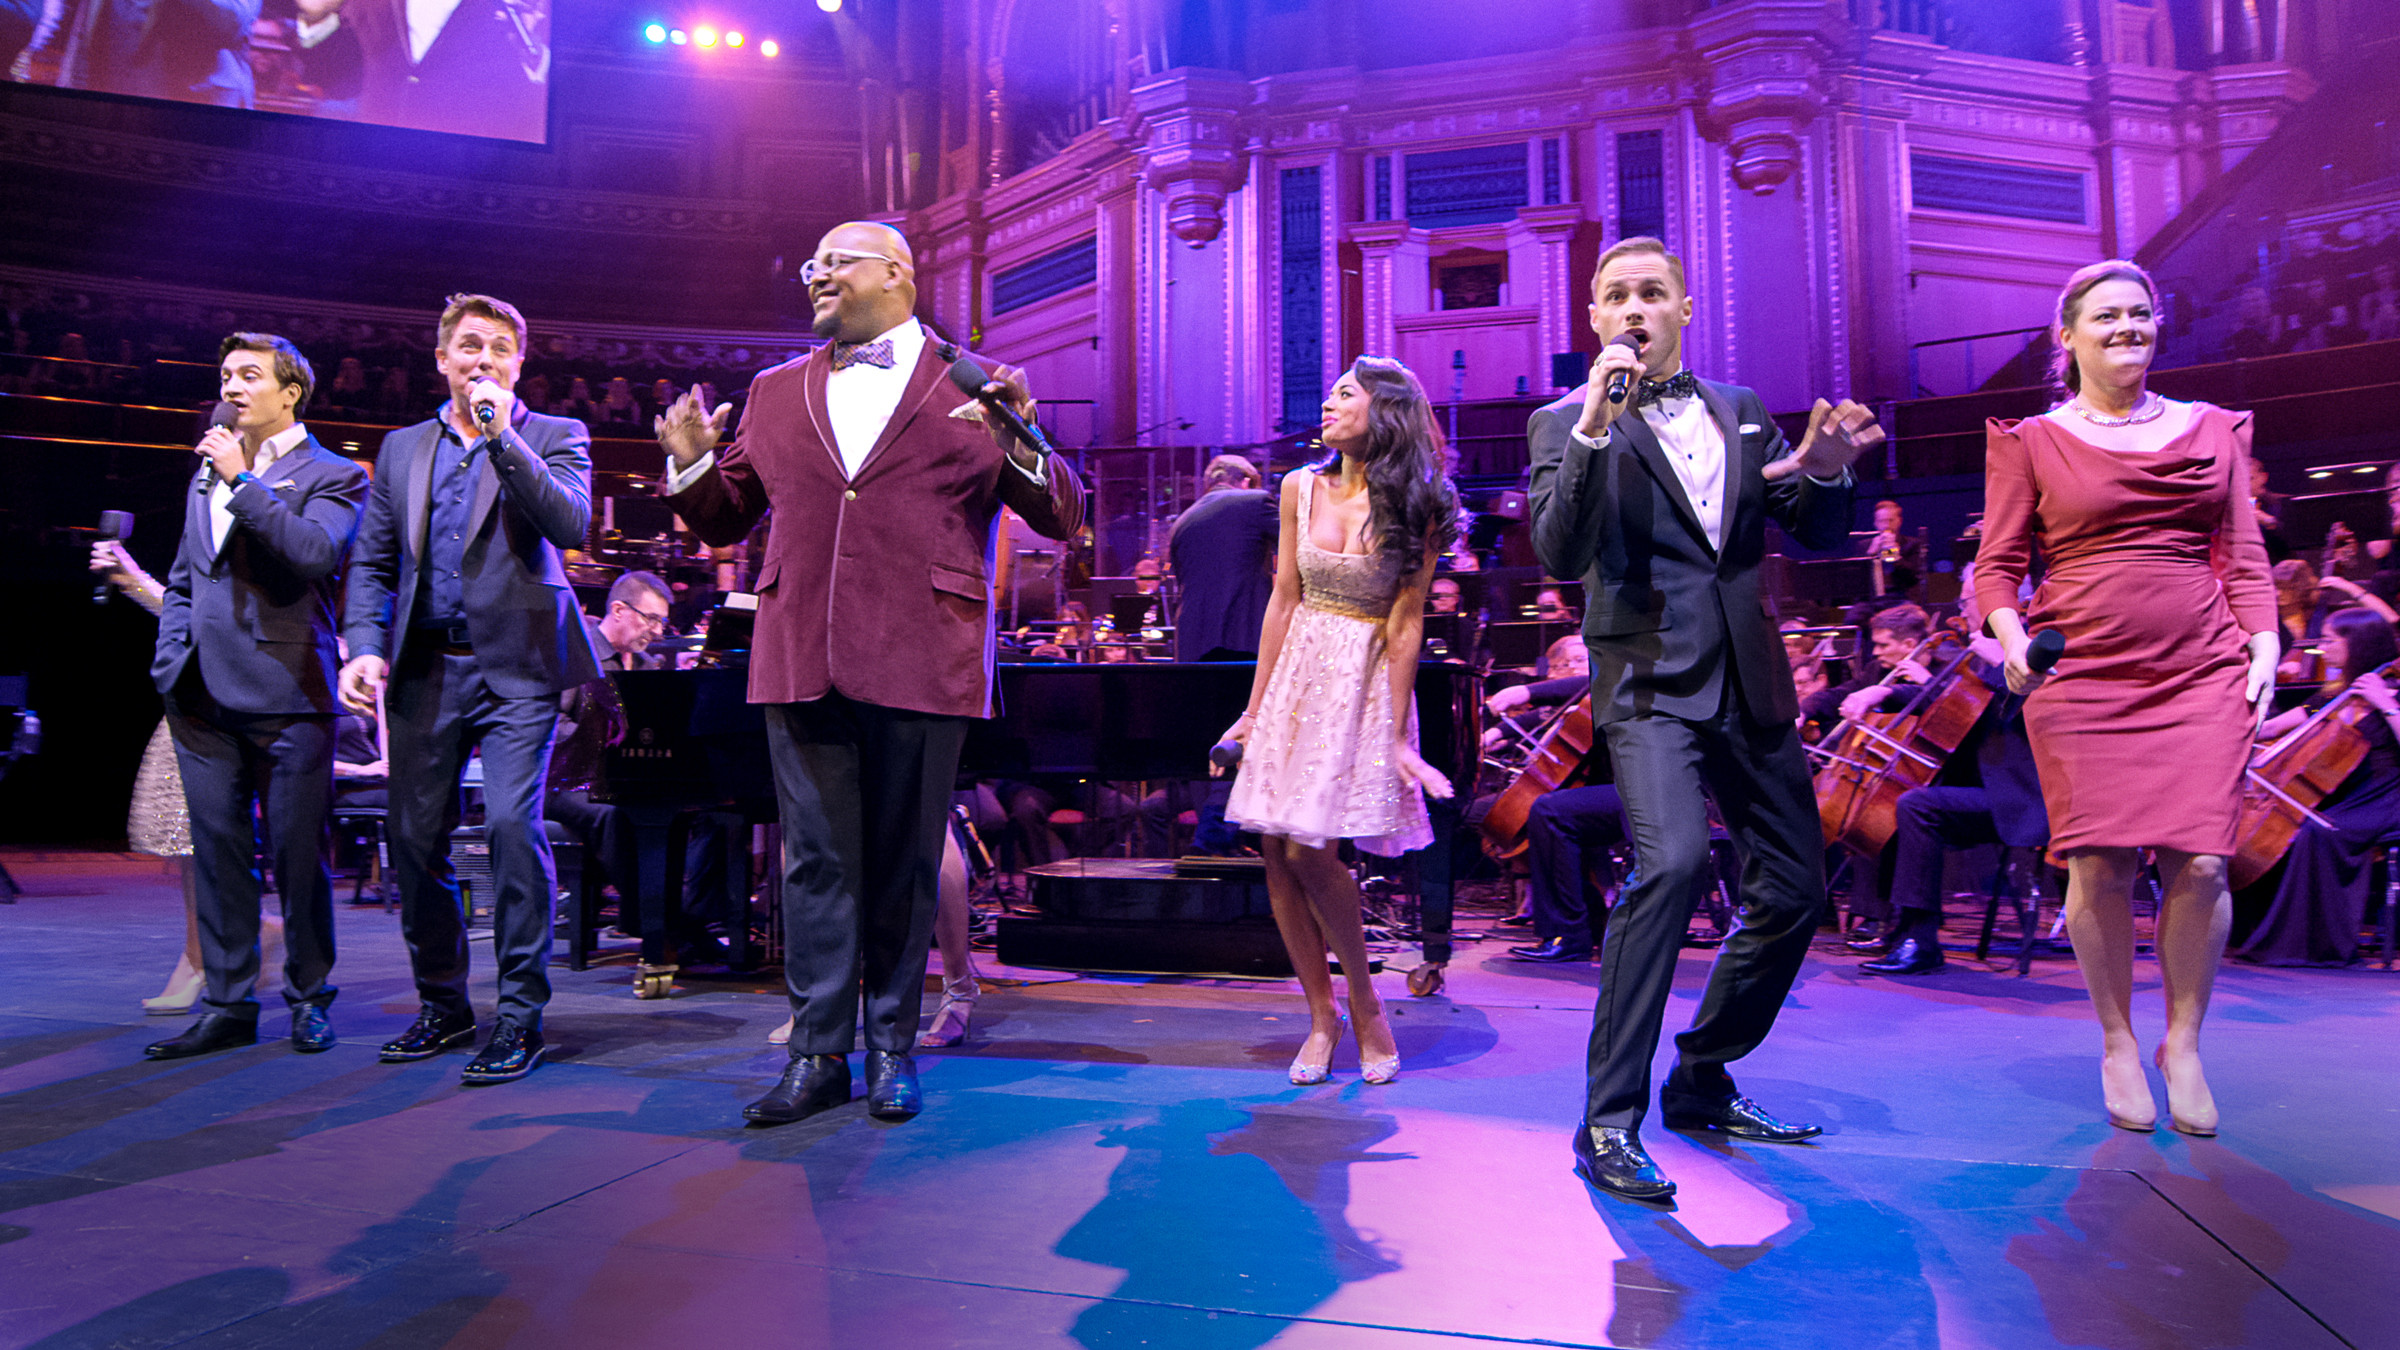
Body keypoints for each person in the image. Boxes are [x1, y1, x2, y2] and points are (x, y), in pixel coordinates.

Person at [656, 220, 1084, 1126]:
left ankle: (893, 1049)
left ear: (896, 272)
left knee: (901, 862)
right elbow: (726, 517)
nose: (815, 275)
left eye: (835, 261)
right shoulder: (774, 391)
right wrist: (690, 456)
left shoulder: (972, 381)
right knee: (814, 865)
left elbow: (1061, 515)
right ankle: (816, 1055)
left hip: (926, 649)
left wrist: (1022, 431)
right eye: (809, 263)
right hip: (800, 649)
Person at [1530, 235, 1882, 1201]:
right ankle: (1607, 1120)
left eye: (1651, 293)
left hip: (1749, 674)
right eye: (1615, 297)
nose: (1634, 309)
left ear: (1685, 309)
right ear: (1595, 320)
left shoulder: (1741, 410)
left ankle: (1702, 1074)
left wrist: (1831, 469)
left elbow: (1814, 526)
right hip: (1646, 680)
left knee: (1798, 890)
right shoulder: (1563, 422)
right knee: (1675, 863)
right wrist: (1598, 424)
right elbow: (1561, 550)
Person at [1975, 258, 2278, 1138]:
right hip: (2083, 675)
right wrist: (2010, 637)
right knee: (2099, 861)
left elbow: (2244, 557)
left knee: (2206, 861)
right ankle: (2116, 1038)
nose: (2126, 329)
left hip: (2199, 667)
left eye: (2140, 314)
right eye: (2105, 316)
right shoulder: (2032, 439)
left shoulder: (2213, 429)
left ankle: (2182, 1043)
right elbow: (1997, 567)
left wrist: (2264, 639)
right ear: (2066, 337)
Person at [340, 293, 603, 1085]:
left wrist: (504, 438)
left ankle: (519, 1017)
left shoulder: (555, 435)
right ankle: (445, 1005)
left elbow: (570, 525)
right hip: (427, 665)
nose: (482, 359)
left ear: (519, 365)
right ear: (443, 359)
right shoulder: (403, 448)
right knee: (414, 839)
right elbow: (376, 561)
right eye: (468, 347)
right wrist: (362, 647)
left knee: (514, 830)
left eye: (498, 349)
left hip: (520, 666)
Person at [1215, 355, 1458, 1087]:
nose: (1327, 402)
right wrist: (1254, 710)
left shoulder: (1422, 502)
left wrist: (1393, 733)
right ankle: (1319, 1015)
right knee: (1277, 849)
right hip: (1297, 674)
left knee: (1313, 852)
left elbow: (1408, 622)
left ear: (1383, 412)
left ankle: (1364, 1002)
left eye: (1344, 394)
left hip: (1364, 677)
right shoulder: (1296, 488)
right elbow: (1283, 599)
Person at [144, 333, 367, 1061]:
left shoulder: (335, 473)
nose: (232, 387)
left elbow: (312, 554)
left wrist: (244, 481)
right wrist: (170, 656)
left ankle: (309, 997)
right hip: (199, 692)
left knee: (298, 858)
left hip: (289, 693)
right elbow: (187, 575)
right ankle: (228, 1002)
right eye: (225, 375)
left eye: (248, 375)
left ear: (290, 391)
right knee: (217, 855)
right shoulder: (207, 468)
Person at [1847, 570, 2049, 976]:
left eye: (1966, 601)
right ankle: (1901, 928)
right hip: (1978, 789)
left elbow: (2044, 704)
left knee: (1918, 806)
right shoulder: (1978, 651)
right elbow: (1947, 696)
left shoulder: (2031, 649)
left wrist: (1998, 664)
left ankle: (1919, 940)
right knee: (1898, 801)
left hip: (2019, 797)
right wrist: (1882, 691)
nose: (1962, 610)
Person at [2238, 607, 2400, 967]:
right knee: (2287, 827)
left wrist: (2385, 704)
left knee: (2316, 833)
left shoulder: (2391, 691)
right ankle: (2250, 932)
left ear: (2359, 644)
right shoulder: (2334, 694)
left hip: (2385, 798)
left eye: (2329, 640)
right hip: (2345, 795)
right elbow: (2273, 727)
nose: (2322, 648)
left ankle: (2308, 946)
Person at [1170, 454, 1278, 662]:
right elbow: (1299, 545)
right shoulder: (1255, 501)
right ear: (1246, 482)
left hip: (1192, 645)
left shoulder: (1182, 522)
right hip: (1243, 640)